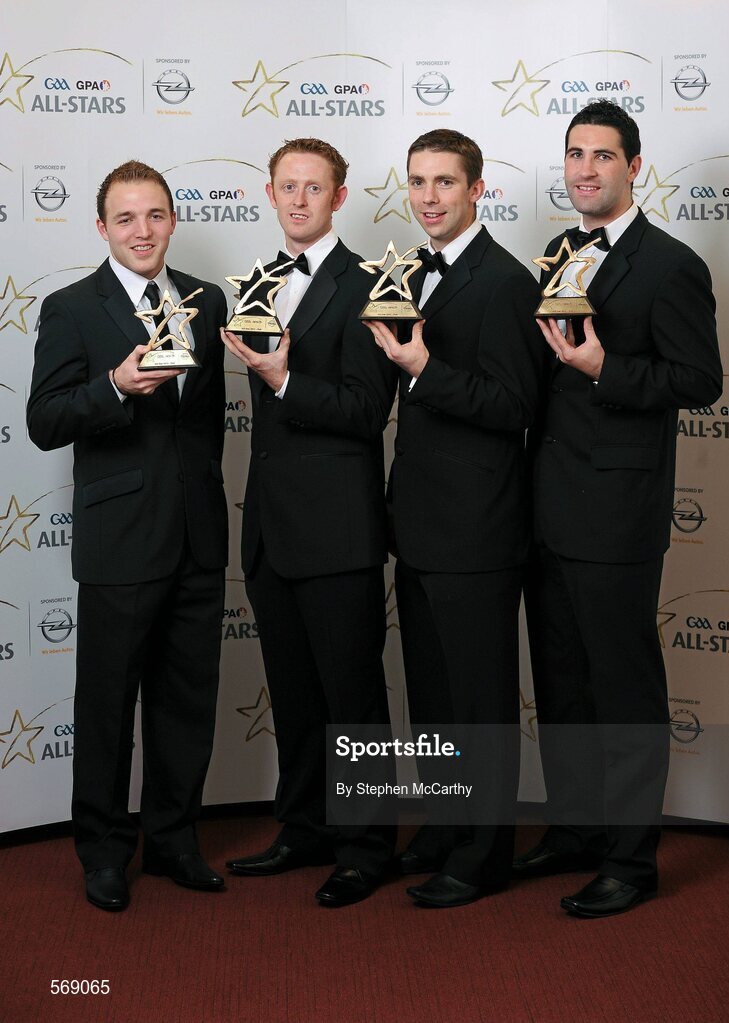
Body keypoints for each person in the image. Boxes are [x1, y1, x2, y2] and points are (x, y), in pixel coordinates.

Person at [515, 100, 723, 917]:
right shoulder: (560, 252)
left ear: (635, 166)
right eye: (574, 154)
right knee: (562, 681)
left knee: (623, 686)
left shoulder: (671, 264)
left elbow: (699, 381)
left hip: (619, 512)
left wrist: (607, 367)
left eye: (602, 155)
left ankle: (631, 861)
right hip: (548, 506)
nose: (585, 169)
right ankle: (574, 831)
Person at [27, 160, 228, 911]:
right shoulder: (73, 306)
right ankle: (105, 850)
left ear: (173, 220)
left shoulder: (208, 302)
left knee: (186, 701)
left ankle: (175, 839)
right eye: (126, 219)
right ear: (103, 227)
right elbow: (45, 420)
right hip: (119, 542)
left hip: (198, 536)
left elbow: (203, 426)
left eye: (155, 215)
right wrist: (113, 386)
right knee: (108, 705)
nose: (142, 231)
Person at [366, 129, 545, 907]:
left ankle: (483, 852)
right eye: (417, 181)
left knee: (478, 704)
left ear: (479, 190)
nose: (429, 196)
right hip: (421, 523)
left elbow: (514, 406)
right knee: (433, 696)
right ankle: (443, 826)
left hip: (479, 528)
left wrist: (424, 369)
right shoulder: (408, 273)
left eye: (445, 181)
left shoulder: (505, 280)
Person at [222, 138, 396, 907]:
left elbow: (365, 410)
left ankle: (365, 844)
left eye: (313, 188)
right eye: (287, 187)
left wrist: (285, 377)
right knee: (294, 693)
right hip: (270, 528)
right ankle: (304, 825)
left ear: (340, 196)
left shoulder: (371, 284)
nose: (298, 200)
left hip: (339, 528)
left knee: (351, 696)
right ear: (269, 193)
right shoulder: (256, 282)